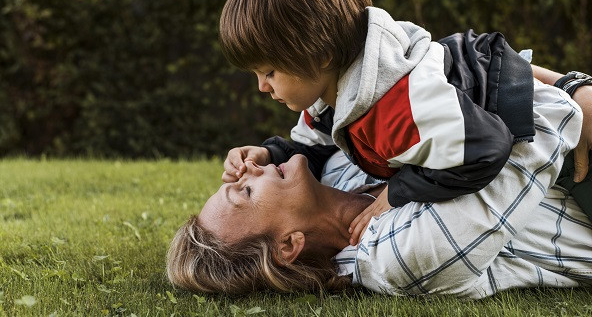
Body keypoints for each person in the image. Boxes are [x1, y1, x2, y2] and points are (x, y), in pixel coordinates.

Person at [217, 0, 592, 243]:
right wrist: (271, 154)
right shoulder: (333, 92)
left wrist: (396, 193)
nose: (262, 87)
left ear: (320, 55)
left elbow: (484, 149)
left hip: (544, 128)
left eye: (269, 72)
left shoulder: (394, 103)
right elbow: (312, 147)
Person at [166, 80, 592, 298]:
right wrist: (574, 86)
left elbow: (325, 116)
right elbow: (546, 126)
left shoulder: (342, 172)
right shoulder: (399, 254)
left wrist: (270, 150)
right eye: (244, 193)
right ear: (287, 246)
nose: (246, 175)